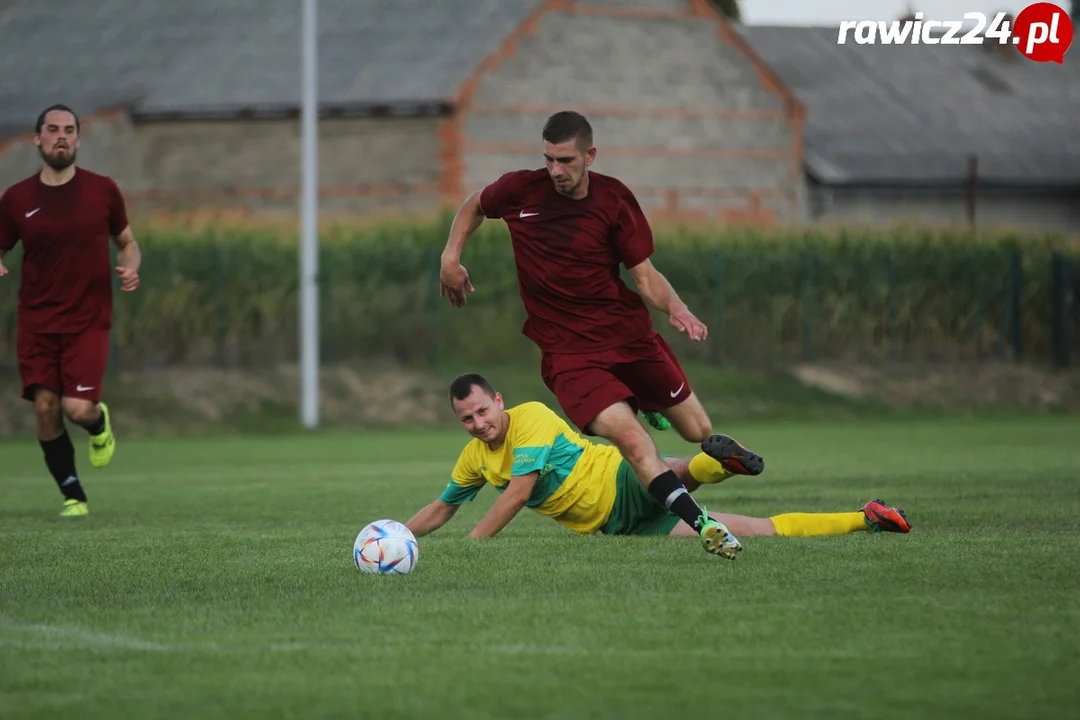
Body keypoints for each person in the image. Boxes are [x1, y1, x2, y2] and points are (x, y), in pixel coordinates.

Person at [438, 110, 763, 556]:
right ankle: (703, 524)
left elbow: (646, 277)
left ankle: (646, 403)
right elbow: (475, 203)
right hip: (570, 356)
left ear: (590, 155)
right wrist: (450, 256)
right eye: (548, 159)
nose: (555, 170)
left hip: (627, 336)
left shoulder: (615, 201)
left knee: (698, 430)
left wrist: (678, 308)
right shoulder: (520, 190)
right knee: (633, 442)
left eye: (566, 160)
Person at [405, 374, 911, 555]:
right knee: (756, 530)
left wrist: (470, 549)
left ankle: (717, 464)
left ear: (498, 401)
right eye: (466, 419)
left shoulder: (530, 417)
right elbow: (442, 506)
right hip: (623, 527)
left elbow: (518, 493)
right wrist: (397, 534)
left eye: (482, 411)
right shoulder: (474, 456)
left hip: (619, 478)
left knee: (659, 469)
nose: (477, 423)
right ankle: (866, 516)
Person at [0, 104, 141, 517]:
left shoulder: (103, 191)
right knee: (45, 408)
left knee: (75, 408)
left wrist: (130, 269)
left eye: (68, 129)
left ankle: (99, 425)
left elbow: (128, 242)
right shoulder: (17, 198)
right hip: (37, 320)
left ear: (78, 139)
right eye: (52, 129)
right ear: (37, 138)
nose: (60, 135)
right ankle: (73, 494)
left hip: (88, 319)